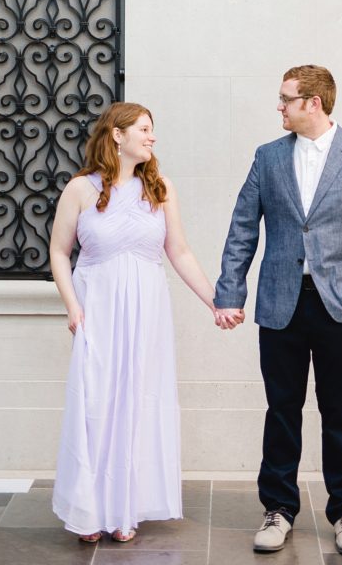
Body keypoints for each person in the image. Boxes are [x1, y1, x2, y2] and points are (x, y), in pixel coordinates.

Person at [214, 65, 342, 556]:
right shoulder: (268, 157)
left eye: (286, 98)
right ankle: (278, 508)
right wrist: (230, 292)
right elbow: (242, 229)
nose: (279, 106)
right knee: (282, 411)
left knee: (339, 411)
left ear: (313, 103)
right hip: (281, 303)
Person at [51, 102, 241, 543]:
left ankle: (125, 510)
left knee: (139, 401)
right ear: (117, 135)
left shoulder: (161, 188)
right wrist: (72, 306)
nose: (152, 136)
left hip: (147, 312)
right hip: (97, 309)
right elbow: (59, 252)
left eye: (152, 129)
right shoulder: (80, 189)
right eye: (143, 128)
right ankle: (89, 510)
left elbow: (180, 252)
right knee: (96, 405)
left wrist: (216, 302)